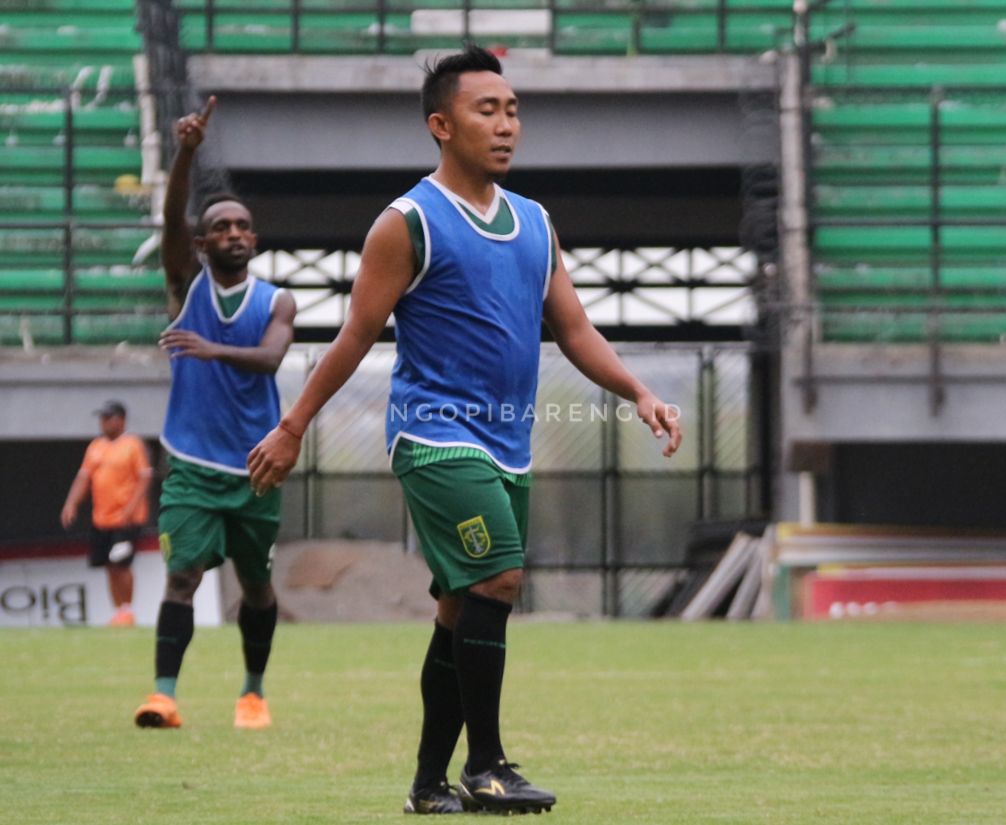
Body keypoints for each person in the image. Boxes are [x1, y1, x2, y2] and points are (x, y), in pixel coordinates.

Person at [247, 46, 682, 815]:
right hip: (434, 436)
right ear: (441, 125)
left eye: (513, 110)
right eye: (489, 110)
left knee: (461, 606)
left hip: (507, 440)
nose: (508, 124)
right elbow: (354, 336)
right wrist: (292, 426)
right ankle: (487, 765)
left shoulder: (536, 222)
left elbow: (575, 329)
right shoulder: (406, 222)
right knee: (500, 578)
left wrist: (639, 391)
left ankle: (426, 783)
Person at [133, 97, 297, 731]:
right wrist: (186, 152)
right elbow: (171, 217)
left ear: (253, 240)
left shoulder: (277, 301)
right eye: (220, 226)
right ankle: (163, 696)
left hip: (256, 468)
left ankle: (252, 692)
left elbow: (269, 358)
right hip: (193, 466)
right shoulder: (187, 285)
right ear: (202, 243)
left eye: (242, 226)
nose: (232, 233)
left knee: (256, 589)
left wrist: (210, 349)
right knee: (183, 577)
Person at [60, 399, 153, 627]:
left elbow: (145, 476)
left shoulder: (132, 445)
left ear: (120, 420)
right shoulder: (95, 447)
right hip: (102, 517)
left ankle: (128, 610)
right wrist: (71, 503)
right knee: (108, 565)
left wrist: (131, 507)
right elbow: (84, 477)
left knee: (121, 562)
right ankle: (119, 611)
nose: (103, 423)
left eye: (107, 418)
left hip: (126, 519)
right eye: (101, 418)